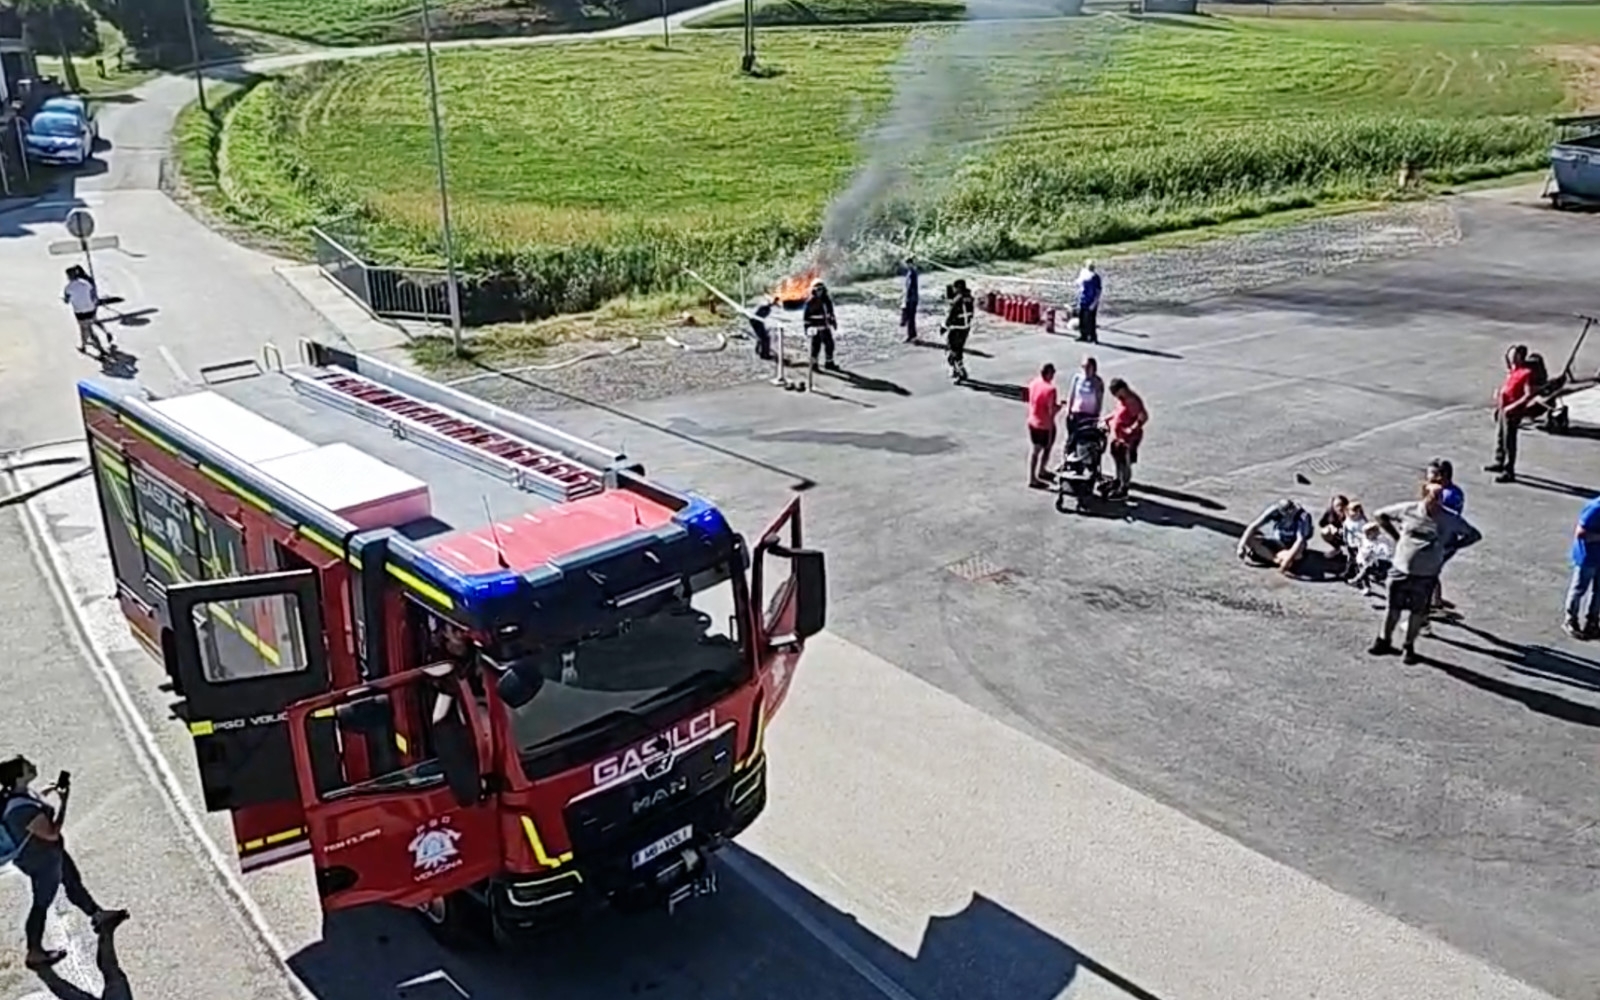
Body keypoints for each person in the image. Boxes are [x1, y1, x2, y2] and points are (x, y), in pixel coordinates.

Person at [0, 757, 128, 969]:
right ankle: (35, 952)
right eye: (27, 767)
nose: (33, 766)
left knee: (73, 882)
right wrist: (64, 801)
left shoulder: (15, 795)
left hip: (50, 854)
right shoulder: (20, 811)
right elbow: (51, 832)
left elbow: (33, 807)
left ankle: (97, 915)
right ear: (19, 777)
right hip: (42, 861)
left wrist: (47, 792)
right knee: (41, 904)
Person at [1369, 483, 1482, 664]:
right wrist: (1396, 537)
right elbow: (1380, 515)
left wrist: (1451, 546)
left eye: (1440, 498)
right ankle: (1384, 640)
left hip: (1426, 575)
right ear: (1424, 495)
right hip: (1400, 570)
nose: (1437, 502)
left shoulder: (1449, 518)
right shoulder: (1408, 510)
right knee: (1393, 608)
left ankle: (1408, 646)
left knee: (1417, 612)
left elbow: (1474, 535)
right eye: (1433, 497)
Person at [1486, 345, 1537, 484]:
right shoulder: (1512, 371)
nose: (1511, 357)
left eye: (1514, 355)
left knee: (1509, 440)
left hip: (1513, 412)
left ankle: (1509, 471)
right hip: (1504, 408)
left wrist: (1513, 406)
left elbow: (1528, 394)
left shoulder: (1526, 373)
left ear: (1520, 357)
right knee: (1500, 436)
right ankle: (1499, 461)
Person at [1426, 459, 1464, 612]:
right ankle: (1436, 599)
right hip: (1450, 537)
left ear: (1441, 476)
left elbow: (1434, 517)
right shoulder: (1456, 492)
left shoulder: (1443, 496)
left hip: (1442, 539)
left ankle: (1433, 605)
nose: (1427, 476)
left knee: (1429, 571)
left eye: (1431, 473)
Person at [1237, 499, 1313, 573]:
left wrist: (1287, 559)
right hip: (1277, 541)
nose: (1288, 516)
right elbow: (1253, 526)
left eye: (1290, 513)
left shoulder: (1302, 516)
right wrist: (1241, 546)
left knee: (1297, 555)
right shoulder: (1274, 510)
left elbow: (1299, 540)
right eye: (1285, 514)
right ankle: (1276, 559)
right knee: (1250, 539)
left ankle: (1270, 557)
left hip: (1293, 546)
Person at [1102, 377, 1147, 499]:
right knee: (1117, 459)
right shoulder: (1122, 399)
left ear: (1122, 389)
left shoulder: (1132, 400)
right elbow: (1118, 412)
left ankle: (1124, 487)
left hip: (1128, 438)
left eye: (1116, 393)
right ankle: (1118, 480)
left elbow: (1143, 416)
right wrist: (1109, 418)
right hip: (1118, 436)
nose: (1115, 396)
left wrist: (1132, 429)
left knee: (1124, 462)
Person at [1565, 492, 1600, 638]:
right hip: (1588, 556)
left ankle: (1592, 621)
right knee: (1579, 589)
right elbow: (1581, 533)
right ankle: (1570, 620)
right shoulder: (1595, 508)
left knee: (1598, 591)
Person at [1026, 363, 1062, 488]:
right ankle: (1036, 475)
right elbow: (1051, 410)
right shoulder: (1050, 390)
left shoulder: (1033, 383)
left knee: (1035, 450)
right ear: (1049, 373)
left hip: (1032, 421)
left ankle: (1037, 473)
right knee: (1046, 447)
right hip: (1045, 424)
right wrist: (1060, 406)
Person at [1062, 356, 1104, 460]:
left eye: (1087, 366)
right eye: (1083, 366)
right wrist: (1069, 410)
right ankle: (1067, 460)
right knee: (1071, 438)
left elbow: (1099, 399)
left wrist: (1097, 416)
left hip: (1089, 415)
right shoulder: (1077, 378)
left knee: (1085, 440)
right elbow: (1071, 394)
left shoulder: (1097, 381)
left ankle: (1084, 461)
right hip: (1076, 412)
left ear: (1093, 367)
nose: (1085, 369)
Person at [61, 266, 103, 358]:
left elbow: (67, 300)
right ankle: (84, 346)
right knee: (87, 328)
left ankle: (100, 349)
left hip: (80, 312)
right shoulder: (86, 283)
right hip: (91, 309)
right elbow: (92, 294)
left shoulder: (68, 288)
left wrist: (65, 299)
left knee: (86, 330)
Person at [942, 279, 975, 382]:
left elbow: (951, 313)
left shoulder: (958, 299)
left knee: (951, 349)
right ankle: (958, 368)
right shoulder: (969, 297)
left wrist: (944, 326)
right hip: (966, 328)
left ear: (958, 287)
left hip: (956, 327)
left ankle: (958, 371)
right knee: (959, 349)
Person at [802, 280, 838, 371]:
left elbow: (831, 313)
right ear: (814, 290)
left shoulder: (827, 300)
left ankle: (829, 362)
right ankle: (814, 364)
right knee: (816, 346)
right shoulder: (810, 302)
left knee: (830, 345)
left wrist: (833, 322)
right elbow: (806, 317)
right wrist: (807, 328)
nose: (819, 291)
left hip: (825, 327)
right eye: (817, 289)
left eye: (821, 289)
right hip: (816, 328)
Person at [1350, 520, 1394, 595]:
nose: (1367, 535)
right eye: (1366, 533)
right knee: (1363, 566)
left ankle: (1358, 579)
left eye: (1370, 533)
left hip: (1383, 563)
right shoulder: (1364, 539)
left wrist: (1375, 554)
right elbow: (1362, 551)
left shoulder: (1383, 540)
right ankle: (1366, 587)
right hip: (1367, 561)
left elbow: (1387, 552)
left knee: (1370, 565)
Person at [1074, 260, 1101, 345]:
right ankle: (1083, 335)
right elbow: (1079, 284)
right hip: (1083, 299)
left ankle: (1093, 337)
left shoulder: (1095, 277)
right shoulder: (1084, 274)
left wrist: (1094, 303)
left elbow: (1098, 291)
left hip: (1091, 301)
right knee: (1082, 318)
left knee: (1091, 320)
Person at [900, 256, 920, 343]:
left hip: (911, 299)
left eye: (908, 264)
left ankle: (911, 336)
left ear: (911, 264)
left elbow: (910, 288)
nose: (907, 265)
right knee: (910, 318)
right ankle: (912, 335)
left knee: (910, 318)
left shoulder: (912, 273)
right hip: (912, 298)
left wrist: (905, 299)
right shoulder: (911, 272)